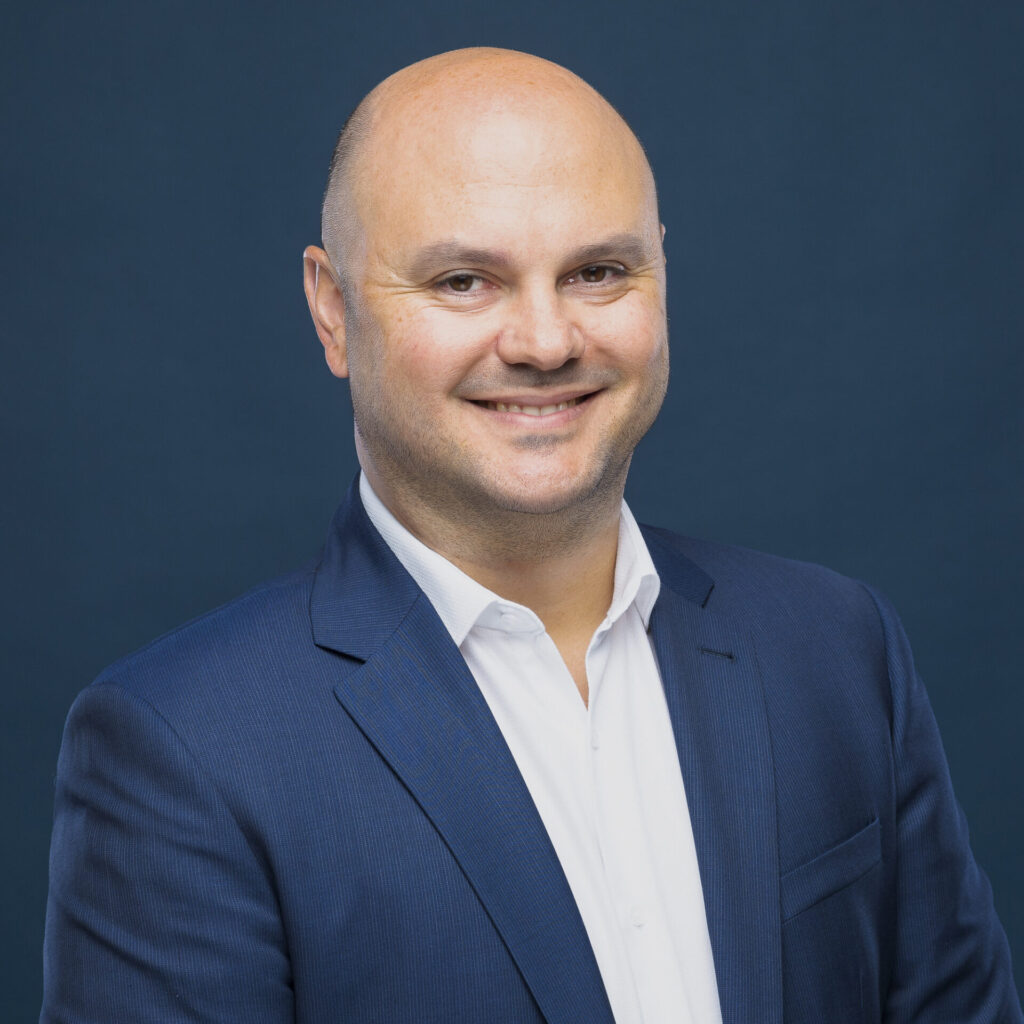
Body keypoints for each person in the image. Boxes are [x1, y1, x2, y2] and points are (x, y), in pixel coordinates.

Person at [41, 47, 1020, 1024]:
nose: (546, 343)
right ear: (332, 310)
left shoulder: (837, 648)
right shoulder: (183, 751)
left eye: (597, 271)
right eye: (465, 280)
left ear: (661, 272)